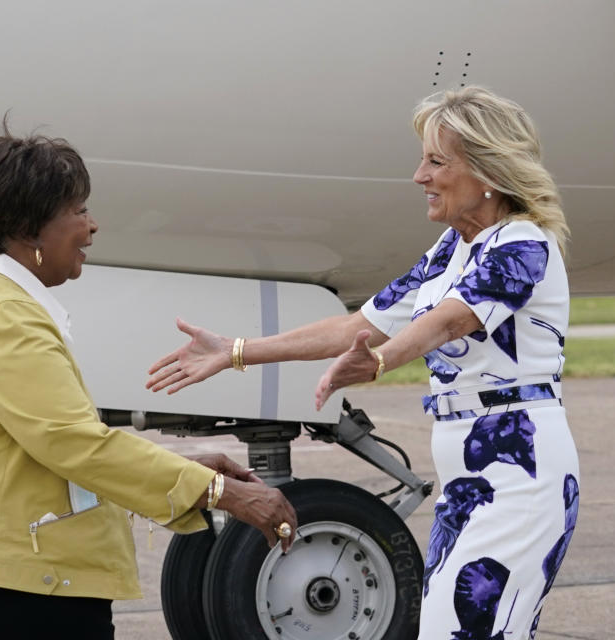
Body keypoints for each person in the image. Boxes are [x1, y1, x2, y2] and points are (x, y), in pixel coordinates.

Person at [147, 85, 579, 639]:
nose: (419, 176)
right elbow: (358, 325)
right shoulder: (452, 248)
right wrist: (235, 352)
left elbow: (448, 321)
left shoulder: (522, 244)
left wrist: (380, 362)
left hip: (520, 477)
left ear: (486, 171)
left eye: (435, 161)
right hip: (468, 479)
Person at [0, 126, 297, 639]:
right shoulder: (0, 316)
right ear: (31, 229)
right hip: (6, 577)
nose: (93, 225)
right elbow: (75, 445)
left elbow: (47, 447)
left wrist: (182, 470)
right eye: (78, 211)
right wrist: (222, 493)